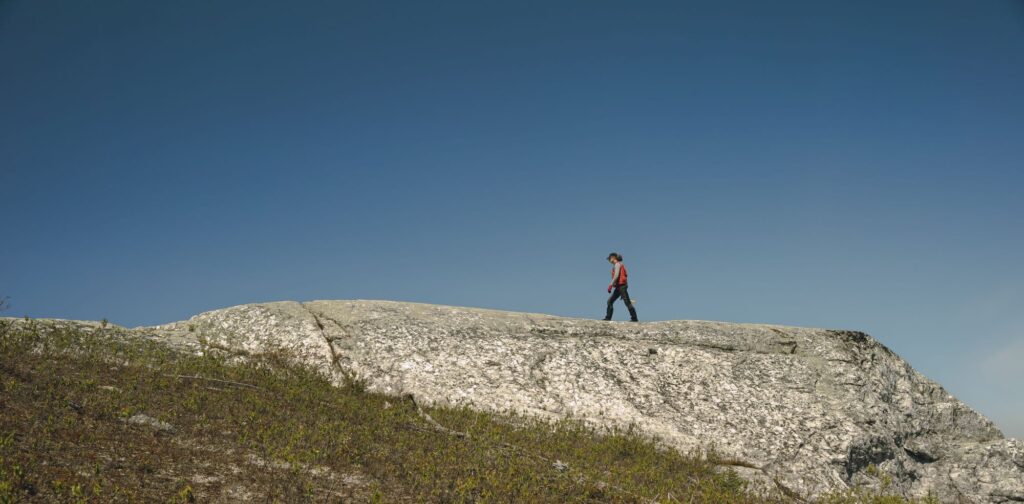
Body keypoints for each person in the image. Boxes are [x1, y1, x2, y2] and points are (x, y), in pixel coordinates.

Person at [604, 252, 638, 322]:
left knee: (627, 302)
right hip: (620, 287)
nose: (609, 260)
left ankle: (634, 318)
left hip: (621, 287)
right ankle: (608, 318)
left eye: (609, 258)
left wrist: (610, 285)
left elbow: (616, 276)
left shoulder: (617, 264)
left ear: (613, 258)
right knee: (610, 301)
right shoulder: (619, 265)